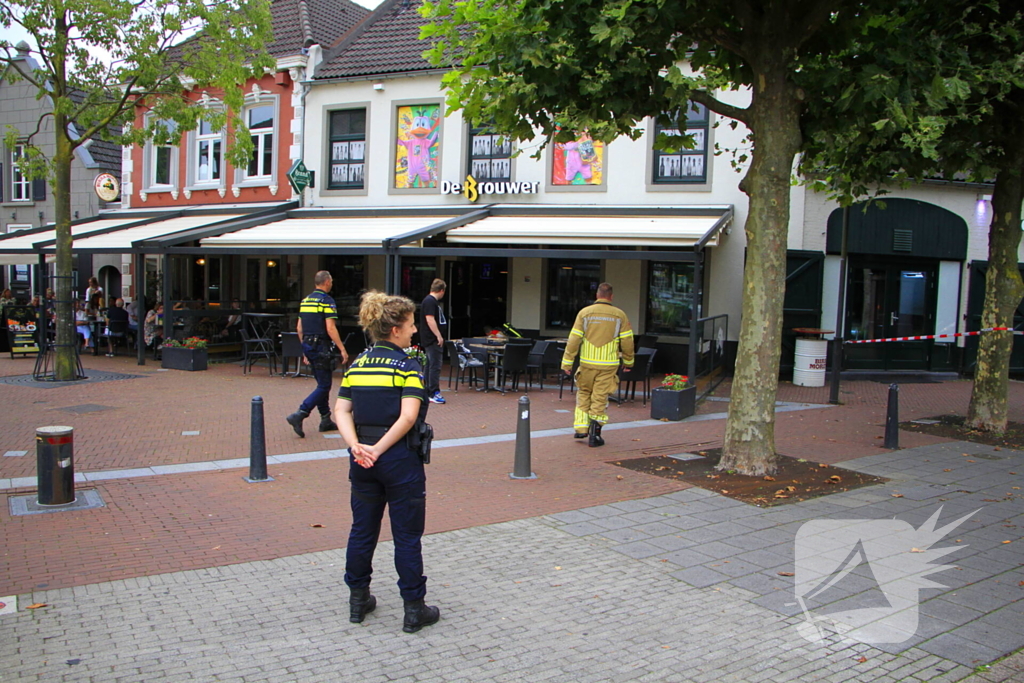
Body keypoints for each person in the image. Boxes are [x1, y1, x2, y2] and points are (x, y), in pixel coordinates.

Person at [334, 290, 440, 633]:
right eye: (410, 325)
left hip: (361, 460)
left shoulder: (358, 365)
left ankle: (358, 600)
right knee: (407, 536)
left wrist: (357, 446)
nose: (414, 331)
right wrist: (379, 449)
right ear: (395, 330)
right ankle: (414, 609)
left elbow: (340, 410)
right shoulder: (408, 365)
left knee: (362, 530)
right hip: (399, 459)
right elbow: (408, 417)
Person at [561, 282, 635, 447]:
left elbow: (574, 339)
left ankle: (581, 428)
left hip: (587, 363)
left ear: (597, 295)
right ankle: (595, 434)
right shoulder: (620, 315)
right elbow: (627, 341)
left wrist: (567, 363)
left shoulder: (585, 313)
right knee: (600, 397)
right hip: (608, 364)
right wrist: (629, 361)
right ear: (611, 296)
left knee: (584, 392)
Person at [286, 271, 350, 437]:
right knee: (324, 386)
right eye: (331, 281)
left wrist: (305, 349)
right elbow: (330, 328)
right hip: (321, 346)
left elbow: (299, 328)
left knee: (322, 383)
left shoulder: (305, 301)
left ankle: (325, 419)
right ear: (327, 282)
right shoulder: (326, 301)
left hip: (309, 344)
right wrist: (342, 348)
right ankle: (301, 413)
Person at [419, 278, 447, 404]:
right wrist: (438, 336)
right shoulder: (430, 302)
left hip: (429, 338)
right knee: (435, 365)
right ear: (441, 291)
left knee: (429, 365)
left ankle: (427, 390)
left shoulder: (428, 301)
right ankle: (433, 391)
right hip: (432, 339)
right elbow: (430, 319)